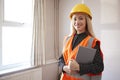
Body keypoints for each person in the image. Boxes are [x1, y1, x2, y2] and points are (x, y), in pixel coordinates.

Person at [58, 3, 104, 80]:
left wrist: (79, 67)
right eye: (75, 19)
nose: (77, 22)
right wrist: (64, 67)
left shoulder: (92, 42)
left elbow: (99, 67)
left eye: (81, 18)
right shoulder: (67, 39)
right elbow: (61, 59)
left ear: (87, 21)